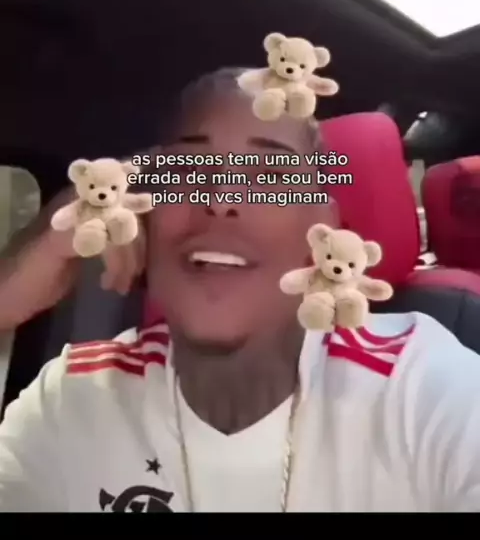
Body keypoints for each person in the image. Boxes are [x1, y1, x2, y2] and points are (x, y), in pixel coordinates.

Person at [1, 68, 480, 512]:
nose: (221, 199)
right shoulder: (72, 399)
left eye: (269, 177)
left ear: (321, 231)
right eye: (190, 171)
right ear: (142, 215)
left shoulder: (422, 389)